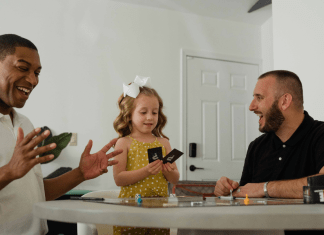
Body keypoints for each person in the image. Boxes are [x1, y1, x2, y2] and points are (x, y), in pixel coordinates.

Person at [0, 34, 122, 235]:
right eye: (23, 68)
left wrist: (80, 173)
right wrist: (10, 171)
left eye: (37, 72)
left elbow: (38, 193)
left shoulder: (24, 123)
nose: (33, 80)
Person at [214, 70, 324, 199]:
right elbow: (246, 197)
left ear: (285, 101)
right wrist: (230, 191)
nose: (251, 106)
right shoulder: (256, 146)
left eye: (259, 97)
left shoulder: (320, 135)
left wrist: (264, 188)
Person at [112, 76, 180, 235]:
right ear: (129, 114)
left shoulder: (164, 143)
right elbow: (118, 178)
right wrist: (146, 171)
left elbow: (175, 179)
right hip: (130, 211)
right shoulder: (123, 142)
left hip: (160, 212)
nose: (150, 117)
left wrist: (167, 170)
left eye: (154, 112)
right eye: (143, 112)